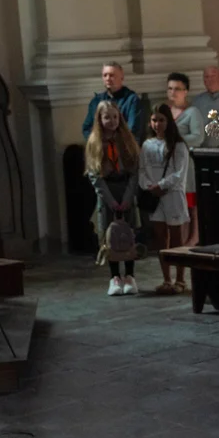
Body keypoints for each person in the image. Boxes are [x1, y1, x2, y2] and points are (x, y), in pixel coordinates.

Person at [85, 101, 141, 296]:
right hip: (108, 194)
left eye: (115, 117)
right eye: (107, 117)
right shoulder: (94, 141)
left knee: (128, 233)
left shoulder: (126, 139)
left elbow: (134, 171)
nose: (111, 121)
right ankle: (115, 277)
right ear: (99, 119)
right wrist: (111, 201)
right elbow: (95, 176)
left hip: (125, 190)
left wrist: (127, 197)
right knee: (111, 236)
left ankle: (130, 276)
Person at [139, 105, 190, 294]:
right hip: (155, 196)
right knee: (161, 239)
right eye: (154, 120)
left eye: (161, 120)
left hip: (173, 194)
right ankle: (166, 278)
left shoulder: (178, 145)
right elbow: (142, 169)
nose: (157, 124)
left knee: (177, 240)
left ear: (168, 122)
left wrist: (161, 185)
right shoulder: (147, 145)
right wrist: (149, 186)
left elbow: (179, 173)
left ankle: (180, 279)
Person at [166, 72, 205, 247]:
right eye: (170, 88)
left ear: (186, 91)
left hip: (186, 165)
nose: (173, 92)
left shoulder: (192, 112)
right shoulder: (165, 111)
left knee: (190, 202)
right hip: (168, 165)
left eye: (177, 89)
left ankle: (194, 237)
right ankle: (176, 238)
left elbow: (198, 137)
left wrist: (176, 142)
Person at [82, 62, 141, 141]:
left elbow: (133, 129)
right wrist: (97, 143)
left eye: (111, 75)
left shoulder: (132, 100)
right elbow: (87, 128)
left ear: (122, 77)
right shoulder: (96, 101)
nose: (108, 78)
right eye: (105, 75)